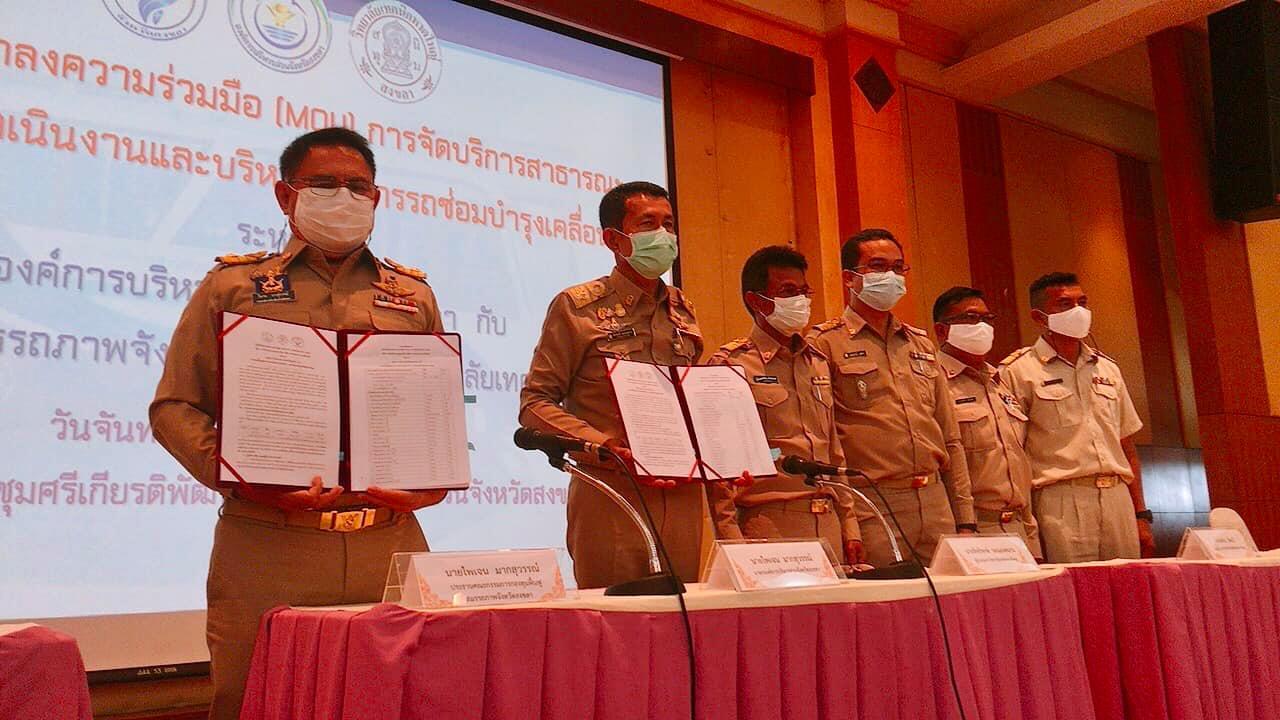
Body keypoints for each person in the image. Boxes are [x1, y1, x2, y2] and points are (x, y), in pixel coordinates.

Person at [150, 127, 448, 720]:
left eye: (357, 186)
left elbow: (432, 412)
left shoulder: (413, 296)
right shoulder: (233, 286)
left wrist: (431, 482)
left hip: (389, 543)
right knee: (255, 703)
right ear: (286, 195)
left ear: (376, 198)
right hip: (268, 544)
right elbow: (175, 407)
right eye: (324, 183)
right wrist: (240, 477)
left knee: (399, 704)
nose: (344, 196)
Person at [519, 181, 716, 589]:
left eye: (668, 224)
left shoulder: (683, 309)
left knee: (685, 616)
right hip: (612, 493)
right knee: (616, 618)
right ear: (613, 239)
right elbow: (535, 403)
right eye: (648, 224)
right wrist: (602, 446)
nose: (663, 235)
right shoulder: (578, 307)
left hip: (682, 493)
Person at [809, 228, 975, 567]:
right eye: (878, 266)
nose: (891, 276)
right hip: (874, 503)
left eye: (898, 268)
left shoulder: (920, 343)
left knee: (947, 597)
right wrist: (848, 521)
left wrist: (966, 518)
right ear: (849, 278)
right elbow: (825, 442)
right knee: (886, 597)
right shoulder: (824, 343)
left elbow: (950, 437)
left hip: (935, 501)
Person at [706, 246, 863, 565]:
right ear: (756, 301)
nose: (801, 300)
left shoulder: (817, 362)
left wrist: (850, 524)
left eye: (804, 291)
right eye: (789, 292)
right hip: (771, 522)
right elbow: (720, 468)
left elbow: (833, 450)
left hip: (828, 519)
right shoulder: (731, 366)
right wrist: (732, 541)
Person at [1000, 272, 1155, 562]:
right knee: (1072, 584)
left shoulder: (1107, 368)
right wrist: (1026, 525)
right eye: (1064, 304)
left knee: (1127, 584)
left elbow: (1127, 447)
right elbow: (1012, 456)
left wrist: (1140, 514)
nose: (1078, 311)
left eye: (1082, 302)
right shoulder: (1018, 371)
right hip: (1060, 499)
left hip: (1117, 497)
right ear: (1039, 317)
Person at [932, 286, 1041, 558]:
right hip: (972, 527)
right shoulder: (932, 381)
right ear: (942, 331)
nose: (981, 326)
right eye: (970, 318)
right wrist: (963, 526)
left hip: (1019, 525)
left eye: (986, 318)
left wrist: (1032, 535)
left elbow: (1019, 461)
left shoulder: (999, 381)